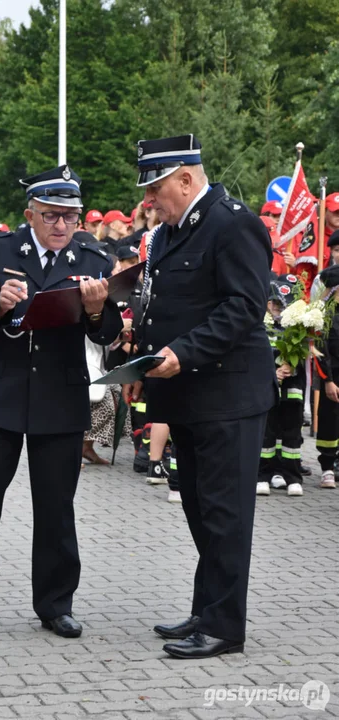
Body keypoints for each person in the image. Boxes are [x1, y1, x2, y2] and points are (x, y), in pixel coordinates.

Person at [0, 165, 122, 638]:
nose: (62, 225)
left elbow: (109, 334)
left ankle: (55, 604)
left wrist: (94, 311)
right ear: (30, 215)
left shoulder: (93, 256)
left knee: (56, 509)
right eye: (51, 216)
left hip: (59, 396)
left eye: (70, 216)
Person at [123, 134, 276, 659]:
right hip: (186, 396)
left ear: (186, 179)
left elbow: (242, 308)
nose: (148, 199)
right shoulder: (168, 232)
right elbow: (161, 305)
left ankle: (225, 628)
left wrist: (181, 354)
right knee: (196, 508)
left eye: (156, 187)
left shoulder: (234, 223)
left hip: (228, 395)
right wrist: (143, 363)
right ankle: (206, 608)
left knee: (224, 514)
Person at [257, 275, 305, 497]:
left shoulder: (298, 327)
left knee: (291, 434)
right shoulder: (260, 326)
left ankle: (292, 477)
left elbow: (305, 353)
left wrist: (291, 365)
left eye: (280, 303)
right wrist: (272, 371)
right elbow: (255, 354)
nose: (276, 307)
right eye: (273, 302)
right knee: (267, 433)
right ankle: (263, 476)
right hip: (268, 387)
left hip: (292, 389)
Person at [315, 236, 339, 489]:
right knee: (330, 420)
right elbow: (321, 349)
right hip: (333, 377)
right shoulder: (325, 313)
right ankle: (326, 467)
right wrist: (329, 381)